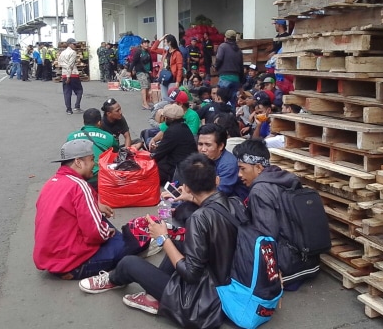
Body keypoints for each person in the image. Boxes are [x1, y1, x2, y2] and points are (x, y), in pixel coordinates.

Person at [78, 153, 237, 328]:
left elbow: (191, 274)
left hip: (199, 303)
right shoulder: (232, 203)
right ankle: (153, 296)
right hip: (223, 281)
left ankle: (114, 280)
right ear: (217, 180)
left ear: (187, 187)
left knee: (129, 262)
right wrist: (191, 198)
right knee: (178, 241)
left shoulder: (199, 219)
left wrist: (162, 238)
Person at [234, 139, 322, 289]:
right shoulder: (283, 178)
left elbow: (266, 235)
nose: (239, 174)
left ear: (259, 167)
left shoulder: (260, 190)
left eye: (243, 169)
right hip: (310, 260)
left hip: (289, 267)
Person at [33, 139, 126, 280]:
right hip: (73, 263)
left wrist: (96, 209)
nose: (94, 164)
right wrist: (107, 232)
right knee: (129, 243)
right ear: (78, 162)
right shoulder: (79, 185)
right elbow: (95, 234)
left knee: (103, 222)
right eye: (91, 160)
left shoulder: (50, 183)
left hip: (50, 257)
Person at [66, 108, 119, 189]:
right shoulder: (109, 137)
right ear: (99, 122)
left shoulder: (71, 137)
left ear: (84, 122)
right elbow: (116, 153)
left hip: (78, 178)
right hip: (100, 178)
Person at [197, 123, 249, 200]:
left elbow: (219, 194)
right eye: (200, 144)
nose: (203, 149)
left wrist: (192, 196)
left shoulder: (228, 164)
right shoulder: (204, 158)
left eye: (208, 145)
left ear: (221, 146)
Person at [150, 104, 197, 185]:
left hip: (178, 168)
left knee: (153, 168)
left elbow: (158, 154)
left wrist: (150, 156)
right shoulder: (184, 126)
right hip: (187, 162)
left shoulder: (172, 131)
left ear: (168, 119)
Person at [212, 30, 244, 106]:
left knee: (222, 99)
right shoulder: (238, 50)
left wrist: (215, 66)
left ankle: (223, 115)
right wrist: (241, 83)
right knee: (233, 101)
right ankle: (232, 115)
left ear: (225, 38)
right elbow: (241, 67)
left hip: (225, 77)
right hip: (236, 78)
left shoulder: (223, 46)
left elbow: (219, 59)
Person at [151, 34, 184, 102]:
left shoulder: (177, 53)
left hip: (172, 78)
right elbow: (153, 49)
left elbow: (179, 68)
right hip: (164, 77)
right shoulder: (165, 51)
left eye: (165, 41)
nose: (164, 43)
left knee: (171, 99)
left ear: (170, 42)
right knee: (164, 98)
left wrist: (178, 81)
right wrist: (161, 39)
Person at [58, 38, 84, 115]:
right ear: (69, 44)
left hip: (64, 74)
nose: (75, 46)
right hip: (73, 74)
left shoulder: (62, 53)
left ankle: (69, 109)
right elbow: (71, 65)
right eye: (74, 44)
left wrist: (66, 68)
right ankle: (77, 106)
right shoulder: (73, 52)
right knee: (79, 90)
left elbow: (59, 63)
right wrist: (69, 76)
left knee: (67, 92)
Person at [129, 38, 153, 110]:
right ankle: (144, 103)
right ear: (141, 44)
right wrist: (130, 71)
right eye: (144, 43)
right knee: (144, 86)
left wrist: (151, 70)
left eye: (147, 43)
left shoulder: (148, 52)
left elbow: (150, 62)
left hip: (147, 72)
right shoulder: (138, 52)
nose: (146, 44)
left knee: (148, 87)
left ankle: (147, 101)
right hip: (140, 71)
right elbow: (134, 61)